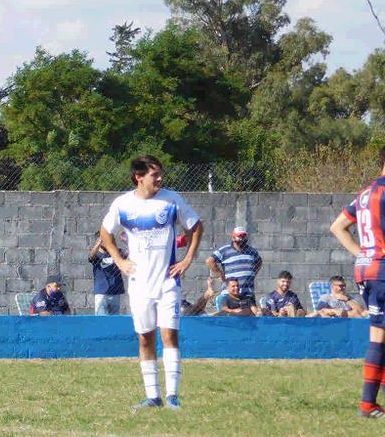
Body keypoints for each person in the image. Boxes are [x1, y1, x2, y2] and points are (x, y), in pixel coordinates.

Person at [100, 155, 203, 412]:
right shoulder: (123, 204)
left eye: (160, 174)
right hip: (139, 284)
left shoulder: (171, 200)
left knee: (169, 334)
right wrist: (120, 261)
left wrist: (188, 259)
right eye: (154, 174)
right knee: (145, 338)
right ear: (139, 176)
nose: (160, 179)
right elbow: (105, 233)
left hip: (168, 281)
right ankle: (152, 397)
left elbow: (196, 226)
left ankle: (173, 397)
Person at [330, 149, 385, 418]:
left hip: (366, 269)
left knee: (379, 332)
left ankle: (371, 400)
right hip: (382, 268)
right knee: (379, 334)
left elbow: (338, 226)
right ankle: (367, 403)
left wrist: (363, 253)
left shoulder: (365, 193)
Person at [206, 226, 263, 304]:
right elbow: (209, 261)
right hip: (229, 295)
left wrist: (252, 274)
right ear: (233, 237)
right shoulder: (225, 250)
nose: (242, 239)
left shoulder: (252, 251)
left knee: (250, 314)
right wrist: (220, 274)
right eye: (239, 236)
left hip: (248, 293)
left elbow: (259, 261)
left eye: (243, 236)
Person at [88, 235, 124, 314]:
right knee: (101, 320)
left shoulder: (117, 254)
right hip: (102, 293)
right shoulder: (97, 255)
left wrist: (126, 240)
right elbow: (91, 257)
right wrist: (97, 244)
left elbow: (129, 254)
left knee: (114, 321)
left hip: (115, 292)